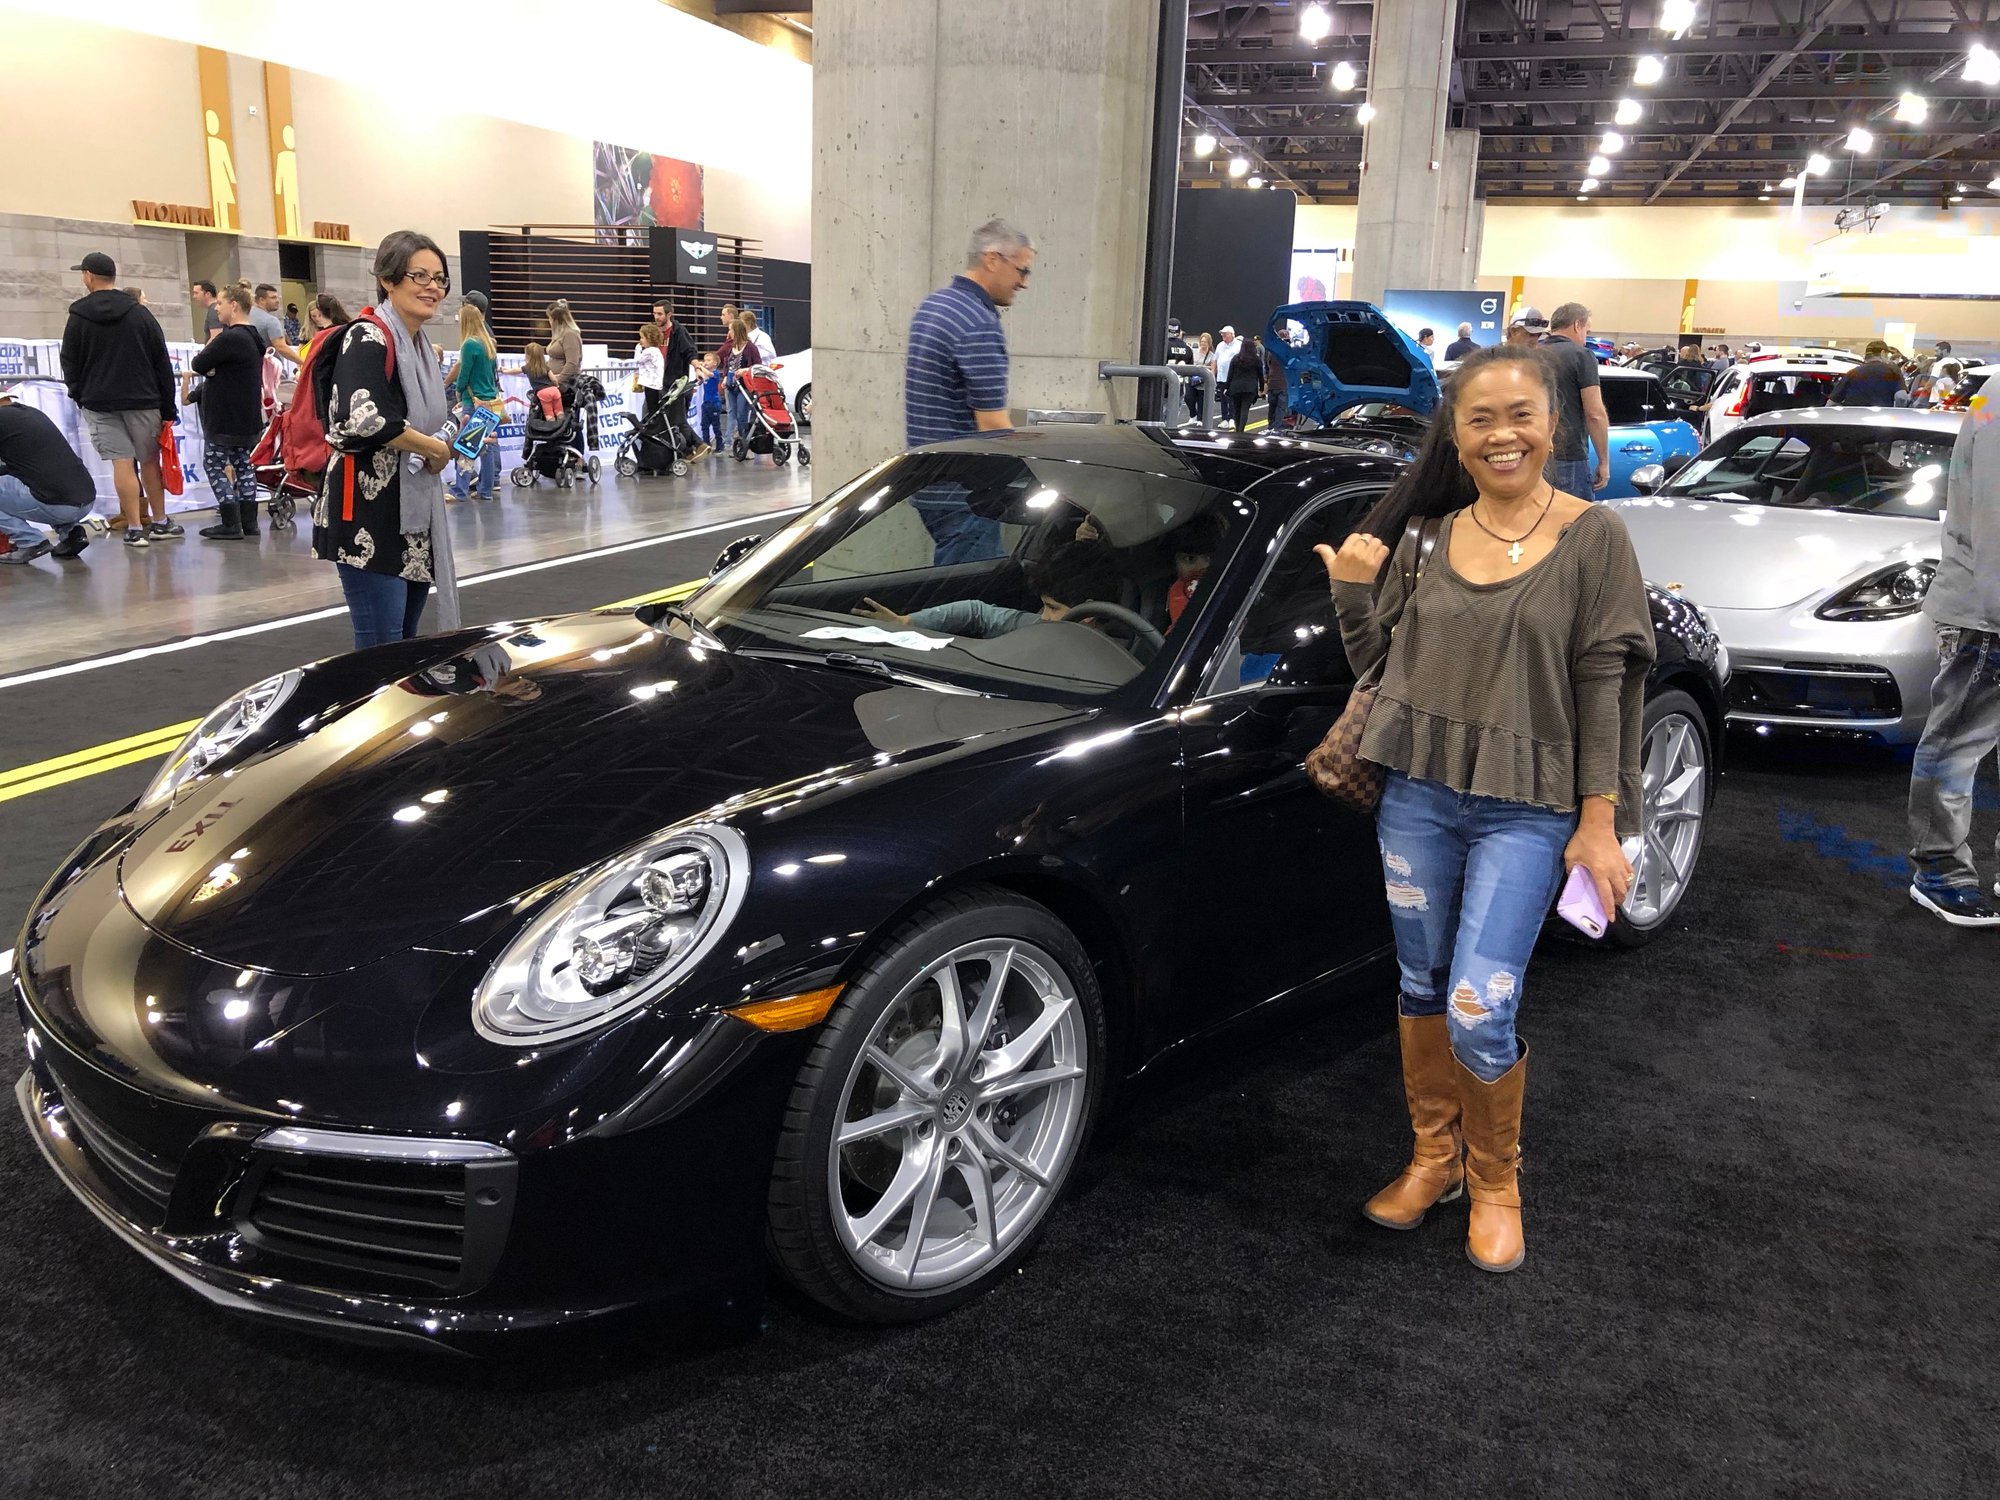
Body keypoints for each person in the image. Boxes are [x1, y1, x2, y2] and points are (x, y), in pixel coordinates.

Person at [1319, 342, 1655, 1274]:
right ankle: (1435, 1159)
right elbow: (1377, 670)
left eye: (1520, 415)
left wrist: (1601, 820)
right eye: (1480, 420)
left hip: (1531, 807)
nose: (1502, 435)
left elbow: (1605, 685)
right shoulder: (1427, 536)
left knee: (1478, 1004)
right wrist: (1352, 589)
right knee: (1422, 986)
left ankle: (1497, 1179)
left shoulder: (1595, 538)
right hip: (1417, 795)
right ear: (1456, 437)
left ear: (1554, 422)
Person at [313, 229, 461, 651]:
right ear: (389, 279)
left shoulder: (419, 347)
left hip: (411, 512)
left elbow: (428, 418)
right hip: (367, 513)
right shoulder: (368, 337)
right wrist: (434, 448)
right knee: (381, 649)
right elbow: (364, 418)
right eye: (420, 276)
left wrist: (442, 439)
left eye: (439, 279)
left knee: (404, 647)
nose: (432, 288)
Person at [1907, 397, 2000, 925]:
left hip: (1986, 607)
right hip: (1986, 617)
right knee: (1956, 744)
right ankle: (1940, 871)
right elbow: (1994, 519)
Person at [904, 219, 1035, 562]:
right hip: (964, 493)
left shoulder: (934, 306)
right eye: (1021, 270)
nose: (1023, 283)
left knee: (946, 586)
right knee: (966, 604)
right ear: (993, 259)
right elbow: (992, 424)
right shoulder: (977, 322)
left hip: (927, 482)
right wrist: (1035, 475)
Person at [60, 250, 180, 549]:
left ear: (88, 276)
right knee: (150, 462)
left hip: (100, 402)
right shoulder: (140, 313)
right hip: (144, 400)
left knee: (122, 465)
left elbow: (69, 362)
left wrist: (80, 394)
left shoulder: (78, 317)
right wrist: (168, 405)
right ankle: (162, 521)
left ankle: (136, 528)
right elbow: (161, 361)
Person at [853, 537, 1120, 637]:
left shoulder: (1118, 660)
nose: (1043, 616)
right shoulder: (1041, 628)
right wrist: (907, 622)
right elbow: (976, 613)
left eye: (1052, 608)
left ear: (1089, 611)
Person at [185, 284, 270, 541]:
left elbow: (199, 363)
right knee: (244, 465)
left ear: (234, 304)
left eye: (220, 303)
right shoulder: (254, 338)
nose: (217, 308)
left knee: (214, 464)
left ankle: (230, 521)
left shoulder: (230, 337)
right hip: (246, 415)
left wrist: (212, 370)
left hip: (224, 416)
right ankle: (250, 522)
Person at [0, 385, 97, 564]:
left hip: (57, 505)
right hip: (86, 500)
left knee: (41, 487)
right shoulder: (31, 413)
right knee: (43, 481)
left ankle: (30, 542)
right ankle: (71, 534)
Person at [1540, 302, 1610, 498]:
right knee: (1576, 525)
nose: (1585, 337)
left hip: (1533, 455)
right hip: (1568, 458)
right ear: (1577, 325)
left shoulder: (1530, 355)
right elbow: (1594, 414)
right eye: (1586, 330)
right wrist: (1604, 462)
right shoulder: (1582, 356)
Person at [448, 301, 504, 503]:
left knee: (467, 446)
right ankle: (486, 489)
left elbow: (464, 374)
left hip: (474, 402)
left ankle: (460, 490)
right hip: (491, 401)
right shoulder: (488, 343)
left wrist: (458, 389)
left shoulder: (469, 344)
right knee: (486, 448)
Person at [652, 299, 706, 457]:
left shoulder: (678, 331)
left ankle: (698, 445)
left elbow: (690, 351)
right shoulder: (654, 332)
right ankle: (687, 451)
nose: (656, 317)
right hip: (657, 382)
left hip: (675, 382)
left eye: (660, 314)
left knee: (677, 419)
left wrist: (697, 367)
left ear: (669, 314)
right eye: (655, 313)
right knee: (664, 419)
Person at [1829, 341, 1904, 407]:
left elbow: (1831, 402)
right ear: (1883, 353)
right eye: (1887, 355)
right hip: (1881, 420)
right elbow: (1901, 397)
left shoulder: (1852, 373)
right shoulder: (1893, 372)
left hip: (1854, 419)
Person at [250, 283, 302, 366]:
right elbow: (281, 347)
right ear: (261, 300)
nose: (277, 301)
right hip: (270, 370)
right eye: (273, 298)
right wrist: (303, 362)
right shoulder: (271, 321)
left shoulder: (246, 315)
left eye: (277, 297)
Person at [1227, 331, 1265, 432]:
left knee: (1236, 409)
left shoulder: (1236, 358)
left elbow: (1230, 374)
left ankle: (1237, 429)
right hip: (1250, 388)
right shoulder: (1256, 360)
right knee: (1244, 410)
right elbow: (1261, 376)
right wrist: (1261, 389)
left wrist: (1227, 387)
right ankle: (1241, 430)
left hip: (1236, 387)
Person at [544, 299, 583, 388]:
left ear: (556, 320)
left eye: (550, 318)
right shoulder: (558, 335)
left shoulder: (570, 334)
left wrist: (558, 379)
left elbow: (572, 363)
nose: (549, 321)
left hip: (565, 385)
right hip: (554, 382)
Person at [1213, 325, 1243, 426]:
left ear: (1231, 334)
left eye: (1225, 334)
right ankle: (1225, 418)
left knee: (1232, 398)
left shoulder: (1239, 345)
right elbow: (1215, 360)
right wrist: (1213, 374)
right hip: (1221, 377)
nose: (1223, 335)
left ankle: (1232, 418)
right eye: (1222, 334)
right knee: (1223, 399)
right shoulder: (1220, 345)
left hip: (1233, 377)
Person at [1262, 333, 1290, 432]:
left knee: (1272, 407)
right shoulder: (1288, 352)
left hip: (1272, 383)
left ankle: (1270, 426)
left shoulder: (1271, 352)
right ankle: (1277, 429)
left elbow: (1267, 366)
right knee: (1281, 408)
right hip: (1283, 384)